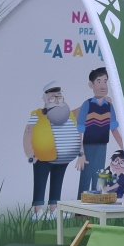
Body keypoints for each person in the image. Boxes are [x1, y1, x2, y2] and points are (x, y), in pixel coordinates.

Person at [23, 81, 82, 219]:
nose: (56, 100)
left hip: (62, 157)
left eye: (59, 97)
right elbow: (27, 135)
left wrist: (77, 150)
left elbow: (75, 131)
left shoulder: (68, 115)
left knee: (57, 181)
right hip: (42, 156)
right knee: (40, 182)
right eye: (52, 97)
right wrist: (30, 153)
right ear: (45, 99)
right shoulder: (37, 115)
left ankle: (54, 209)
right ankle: (37, 211)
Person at [76, 67, 123, 196]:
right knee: (85, 177)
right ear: (91, 85)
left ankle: (96, 207)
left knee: (99, 176)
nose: (103, 86)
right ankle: (81, 212)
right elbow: (79, 131)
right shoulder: (87, 105)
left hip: (102, 146)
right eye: (99, 81)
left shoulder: (109, 106)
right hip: (88, 147)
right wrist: (81, 154)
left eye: (105, 81)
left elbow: (114, 129)